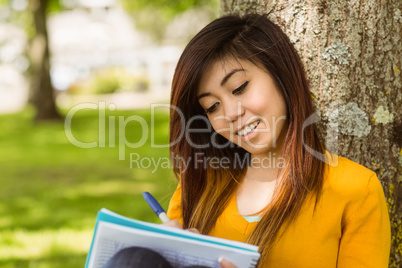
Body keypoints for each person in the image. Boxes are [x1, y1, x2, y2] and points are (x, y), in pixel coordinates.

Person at [165, 13, 391, 268]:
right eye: (212, 106)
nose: (230, 113)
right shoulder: (198, 184)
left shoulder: (357, 191)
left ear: (281, 74)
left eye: (239, 88)